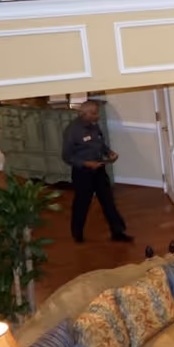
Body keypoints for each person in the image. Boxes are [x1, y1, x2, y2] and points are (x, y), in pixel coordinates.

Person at [61, 100, 132, 244]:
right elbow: (67, 156)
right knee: (82, 203)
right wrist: (87, 163)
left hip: (99, 170)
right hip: (83, 173)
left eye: (96, 112)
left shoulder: (94, 126)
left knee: (108, 201)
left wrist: (109, 152)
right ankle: (77, 234)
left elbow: (100, 143)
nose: (97, 116)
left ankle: (117, 232)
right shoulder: (72, 131)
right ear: (84, 113)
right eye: (93, 113)